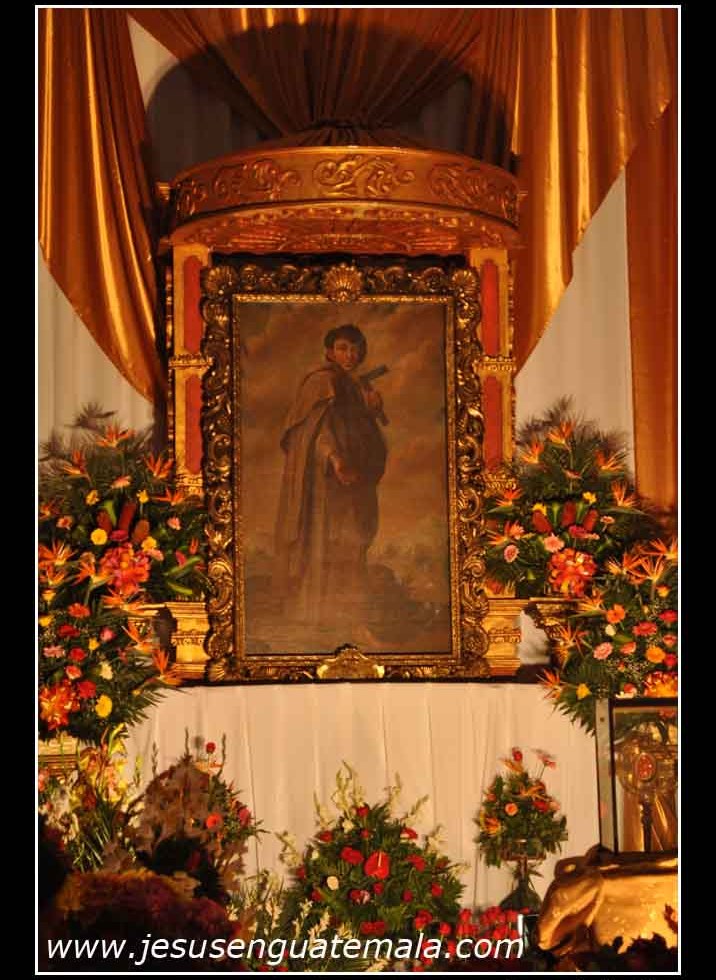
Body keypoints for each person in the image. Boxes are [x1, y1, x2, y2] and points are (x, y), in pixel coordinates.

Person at [274, 324, 387, 644]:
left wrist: (372, 410)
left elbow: (359, 430)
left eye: (355, 348)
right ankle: (323, 620)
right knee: (330, 543)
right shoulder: (321, 383)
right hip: (327, 482)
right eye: (342, 348)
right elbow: (314, 431)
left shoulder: (354, 385)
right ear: (329, 351)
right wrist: (335, 460)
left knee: (353, 544)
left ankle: (349, 619)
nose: (350, 355)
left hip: (355, 479)